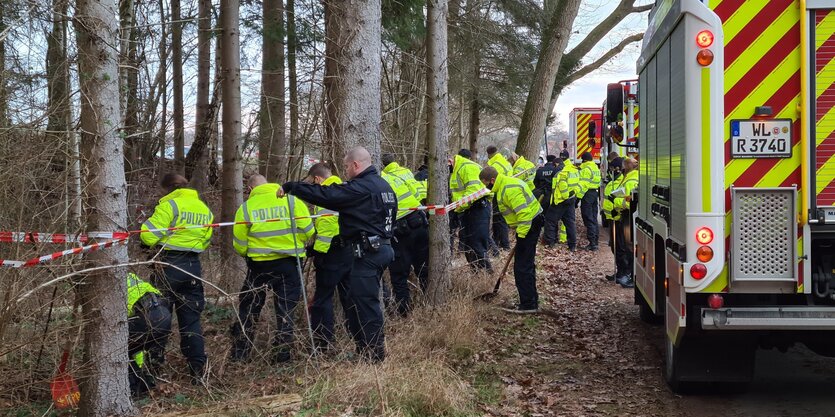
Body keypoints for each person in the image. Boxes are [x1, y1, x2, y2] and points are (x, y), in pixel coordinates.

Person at [277, 147, 396, 362]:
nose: (346, 171)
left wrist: (292, 187)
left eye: (347, 167)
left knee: (365, 305)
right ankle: (366, 350)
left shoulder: (361, 188)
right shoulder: (383, 186)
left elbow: (327, 195)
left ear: (356, 165)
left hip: (368, 254)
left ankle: (373, 357)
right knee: (356, 301)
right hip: (379, 249)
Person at [230, 174, 314, 363]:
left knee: (249, 308)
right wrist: (295, 244)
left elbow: (239, 243)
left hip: (259, 265)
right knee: (285, 310)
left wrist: (249, 253)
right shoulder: (292, 202)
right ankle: (282, 356)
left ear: (250, 190)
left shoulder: (246, 208)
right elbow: (309, 231)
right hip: (289, 263)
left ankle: (240, 354)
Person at [140, 173, 212, 383]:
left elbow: (147, 236)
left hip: (167, 265)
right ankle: (198, 371)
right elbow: (206, 239)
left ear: (168, 189)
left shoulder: (169, 206)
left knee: (159, 318)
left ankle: (152, 372)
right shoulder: (203, 209)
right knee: (191, 320)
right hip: (192, 266)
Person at [479, 166, 544, 313]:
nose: (486, 187)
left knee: (522, 267)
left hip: (529, 225)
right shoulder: (504, 185)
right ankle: (531, 300)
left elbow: (525, 214)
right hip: (528, 225)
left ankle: (528, 305)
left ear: (493, 180)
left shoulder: (508, 188)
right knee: (525, 264)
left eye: (486, 184)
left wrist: (521, 235)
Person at [305, 163, 354, 353]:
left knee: (323, 298)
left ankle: (323, 342)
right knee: (348, 295)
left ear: (317, 179)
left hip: (332, 254)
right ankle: (355, 334)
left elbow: (326, 230)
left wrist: (318, 251)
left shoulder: (326, 195)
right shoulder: (344, 188)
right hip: (349, 250)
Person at [381, 167, 429, 316]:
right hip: (419, 221)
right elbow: (417, 193)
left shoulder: (379, 181)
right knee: (423, 269)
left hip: (400, 231)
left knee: (399, 274)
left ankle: (404, 313)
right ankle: (429, 304)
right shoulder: (401, 175)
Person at [127, 272, 172, 397]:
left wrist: (138, 366)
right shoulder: (129, 276)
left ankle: (136, 388)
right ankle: (148, 382)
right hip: (164, 315)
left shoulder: (110, 290)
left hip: (147, 317)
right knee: (135, 346)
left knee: (117, 348)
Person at [450, 149, 491, 271]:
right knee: (468, 244)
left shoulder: (466, 167)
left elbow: (473, 191)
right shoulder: (458, 168)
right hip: (467, 210)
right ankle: (476, 272)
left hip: (476, 209)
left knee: (477, 245)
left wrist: (458, 206)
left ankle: (486, 274)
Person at [609, 157, 639, 288]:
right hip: (624, 215)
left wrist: (614, 201)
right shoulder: (627, 178)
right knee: (626, 247)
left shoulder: (631, 180)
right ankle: (628, 275)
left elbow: (629, 202)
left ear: (627, 167)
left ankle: (630, 276)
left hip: (628, 216)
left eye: (623, 166)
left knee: (629, 247)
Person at [544, 151, 579, 251]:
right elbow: (577, 184)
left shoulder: (560, 171)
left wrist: (563, 197)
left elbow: (559, 186)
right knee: (570, 223)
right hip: (571, 200)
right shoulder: (573, 169)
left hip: (560, 200)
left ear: (556, 164)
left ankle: (550, 243)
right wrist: (573, 195)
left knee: (550, 220)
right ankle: (572, 245)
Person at [486, 146, 513, 251]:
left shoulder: (495, 165)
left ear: (489, 154)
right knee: (499, 218)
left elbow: (491, 181)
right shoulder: (505, 162)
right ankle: (496, 243)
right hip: (507, 191)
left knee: (500, 219)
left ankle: (505, 245)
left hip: (498, 192)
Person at [602, 157, 623, 282]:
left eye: (611, 168)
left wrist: (614, 202)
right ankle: (619, 272)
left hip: (618, 218)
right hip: (611, 218)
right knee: (615, 247)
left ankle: (622, 273)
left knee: (619, 248)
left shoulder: (621, 181)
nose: (610, 171)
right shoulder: (614, 181)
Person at [578, 152, 602, 251]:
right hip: (594, 193)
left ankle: (592, 243)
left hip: (587, 195)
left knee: (588, 218)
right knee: (593, 217)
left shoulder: (586, 169)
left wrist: (577, 198)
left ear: (584, 160)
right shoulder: (595, 168)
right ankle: (595, 240)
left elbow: (583, 185)